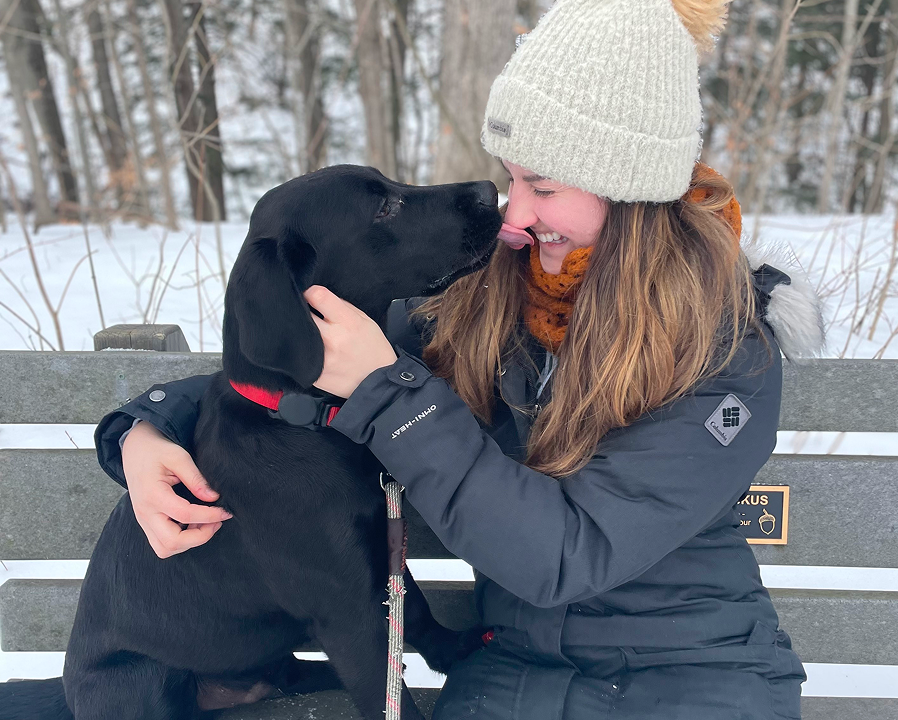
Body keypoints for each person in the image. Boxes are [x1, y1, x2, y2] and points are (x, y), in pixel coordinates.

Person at [95, 0, 827, 717]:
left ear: (629, 192)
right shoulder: (488, 298)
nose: (515, 212)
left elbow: (565, 557)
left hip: (700, 676)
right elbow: (291, 362)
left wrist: (390, 394)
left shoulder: (728, 349)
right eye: (512, 178)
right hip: (512, 670)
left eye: (542, 186)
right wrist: (143, 430)